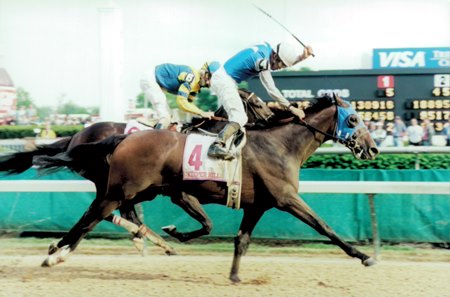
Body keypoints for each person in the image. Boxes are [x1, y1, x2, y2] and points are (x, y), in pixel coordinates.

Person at [208, 42, 314, 159]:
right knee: (240, 117)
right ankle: (216, 145)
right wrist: (291, 107)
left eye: (282, 66)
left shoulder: (268, 50)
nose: (279, 68)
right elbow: (271, 88)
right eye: (280, 65)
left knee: (246, 118)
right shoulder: (262, 61)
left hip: (227, 79)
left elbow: (282, 60)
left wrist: (302, 57)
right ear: (274, 56)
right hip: (224, 81)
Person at [140, 62, 219, 129]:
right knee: (165, 117)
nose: (209, 82)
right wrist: (201, 112)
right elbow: (181, 102)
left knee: (170, 120)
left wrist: (202, 114)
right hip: (151, 79)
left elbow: (188, 105)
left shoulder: (196, 86)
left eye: (213, 80)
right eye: (209, 77)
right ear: (205, 72)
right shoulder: (192, 79)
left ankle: (151, 124)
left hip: (157, 82)